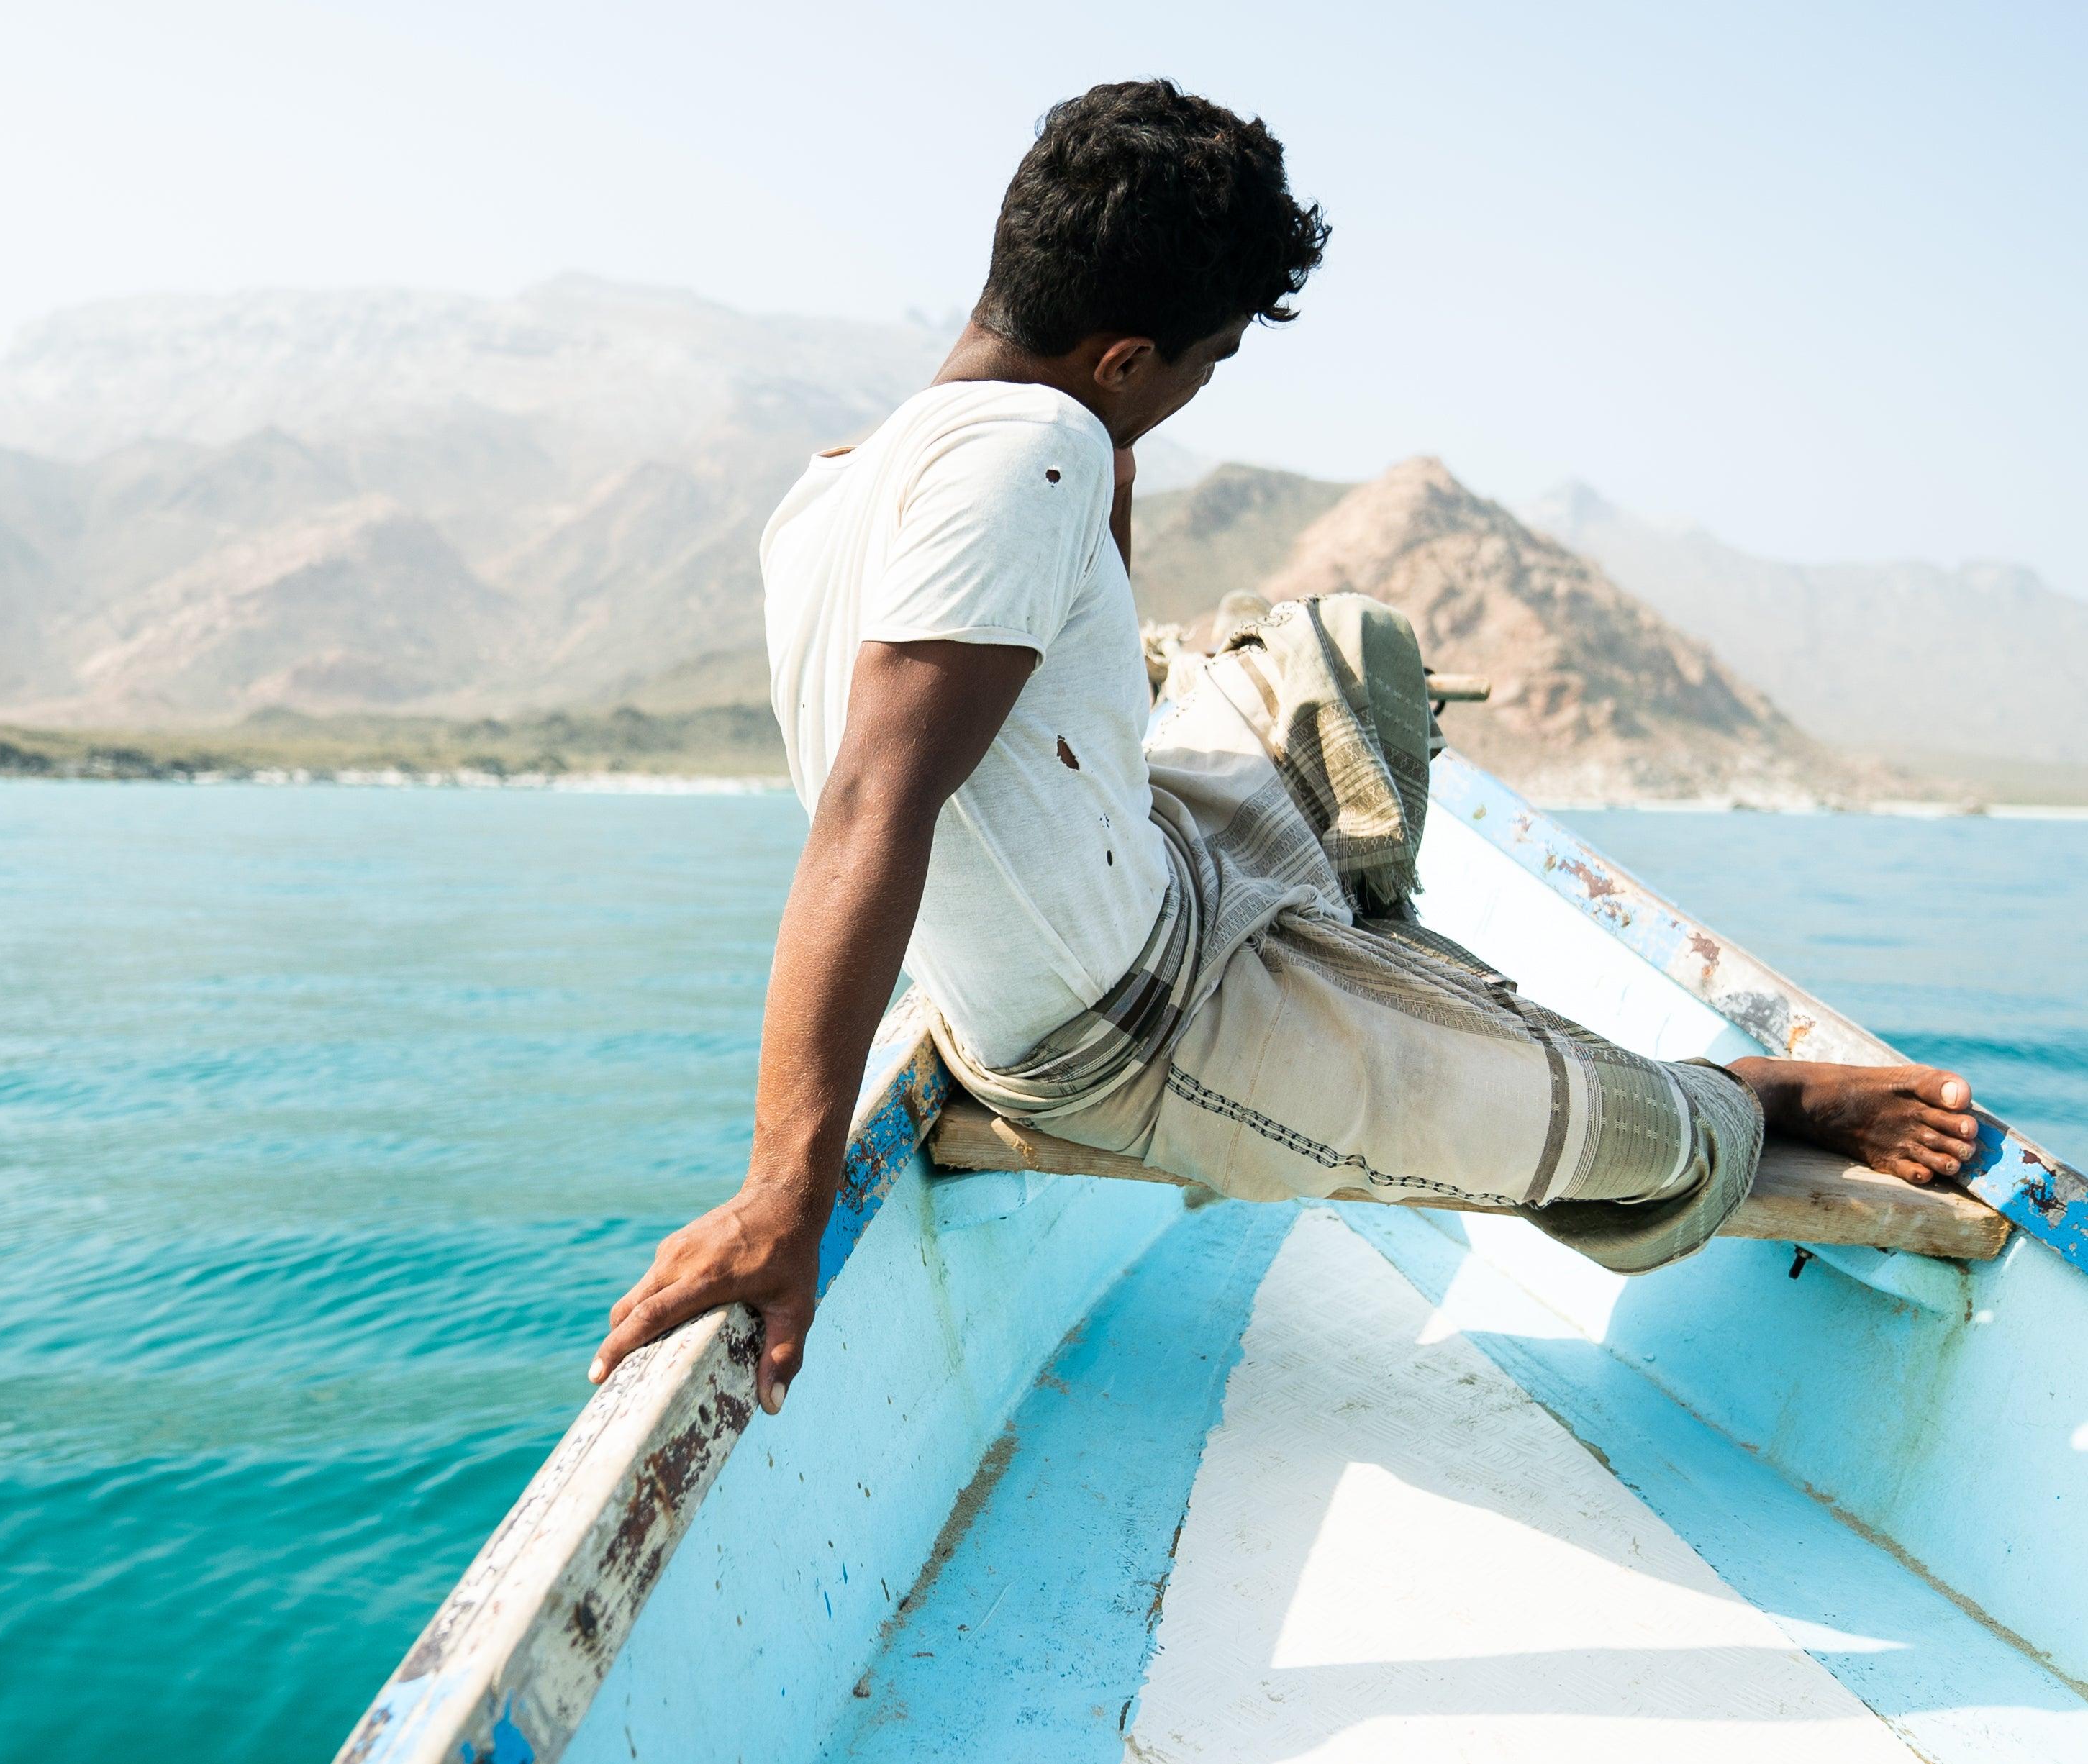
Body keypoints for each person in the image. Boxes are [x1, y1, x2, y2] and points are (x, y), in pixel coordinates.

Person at [587, 79, 1982, 1416]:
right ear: (1126, 356)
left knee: (1348, 650)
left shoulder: (845, 480)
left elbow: (1085, 698)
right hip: (1128, 1029)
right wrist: (789, 1187)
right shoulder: (1037, 456)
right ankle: (1740, 1096)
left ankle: (1377, 964)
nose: (1205, 389)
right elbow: (870, 804)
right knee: (1635, 1142)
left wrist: (1118, 447)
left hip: (1163, 867)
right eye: (1208, 360)